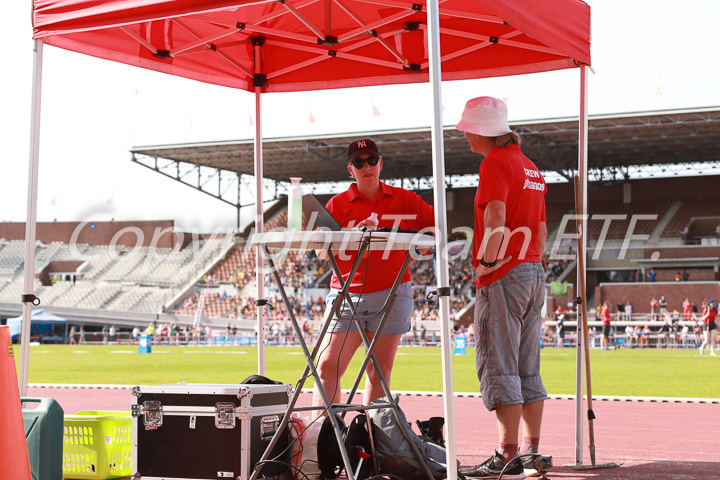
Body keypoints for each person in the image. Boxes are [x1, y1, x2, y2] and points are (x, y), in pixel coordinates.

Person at [455, 97, 548, 479]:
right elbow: (541, 228)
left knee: (499, 362)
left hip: (505, 275)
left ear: (481, 131)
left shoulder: (493, 162)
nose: (464, 135)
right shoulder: (530, 167)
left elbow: (495, 215)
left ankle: (506, 455)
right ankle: (530, 452)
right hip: (533, 270)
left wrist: (487, 262)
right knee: (528, 364)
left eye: (467, 129)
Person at [312, 138, 435, 418]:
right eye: (359, 162)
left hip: (392, 293)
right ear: (350, 170)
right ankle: (323, 438)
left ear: (380, 164)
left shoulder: (405, 198)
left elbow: (436, 229)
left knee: (378, 370)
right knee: (327, 367)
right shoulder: (337, 203)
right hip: (346, 294)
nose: (366, 166)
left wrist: (415, 248)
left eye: (371, 160)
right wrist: (353, 234)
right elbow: (321, 252)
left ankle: (371, 443)